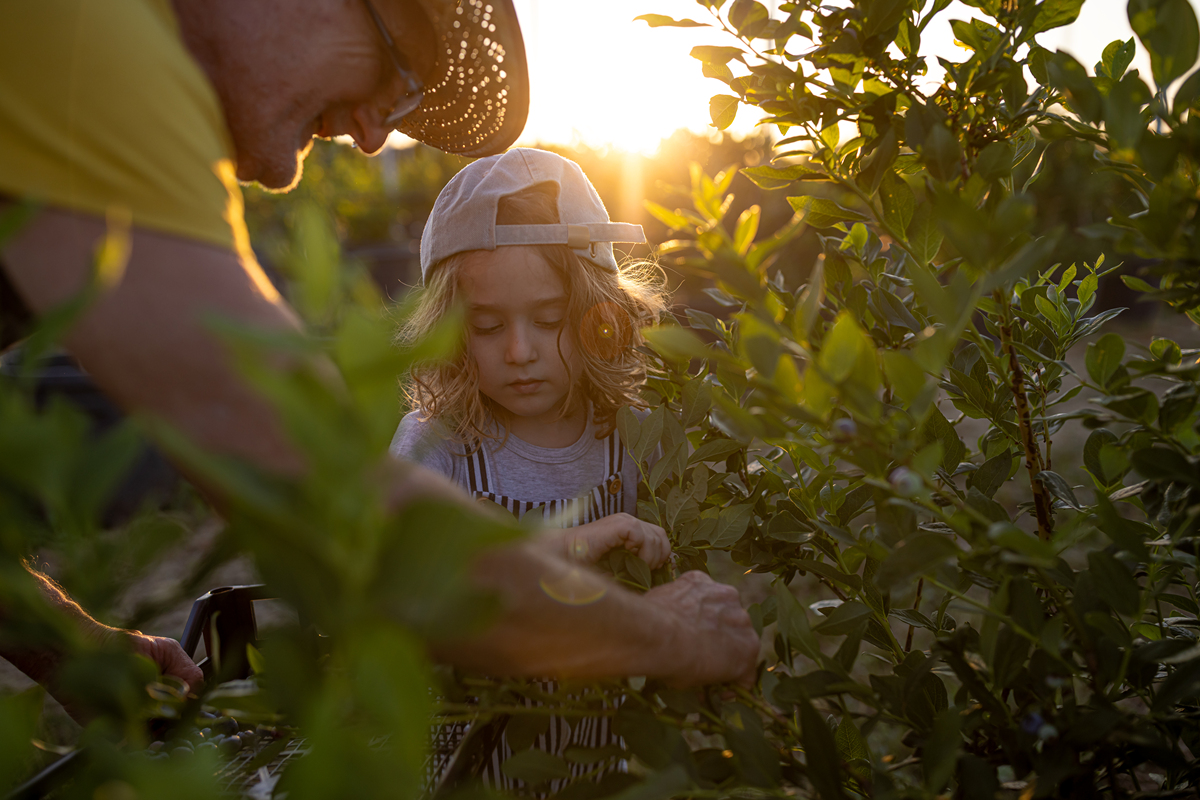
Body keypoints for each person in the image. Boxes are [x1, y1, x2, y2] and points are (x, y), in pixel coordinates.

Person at [0, 0, 758, 708]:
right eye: (397, 75)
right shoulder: (91, 53)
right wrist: (675, 638)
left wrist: (71, 649)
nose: (371, 136)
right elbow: (350, 526)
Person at [392, 148, 672, 788]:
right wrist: (572, 545)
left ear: (598, 315)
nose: (520, 352)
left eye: (548, 321)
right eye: (487, 326)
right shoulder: (439, 443)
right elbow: (413, 588)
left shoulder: (625, 437)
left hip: (598, 752)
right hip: (471, 763)